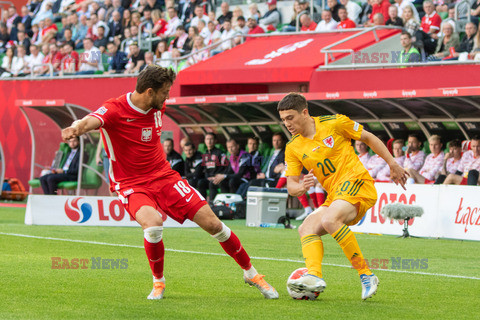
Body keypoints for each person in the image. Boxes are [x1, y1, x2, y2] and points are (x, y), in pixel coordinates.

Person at [61, 65, 278, 300]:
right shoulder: (114, 109)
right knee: (153, 225)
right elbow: (89, 121)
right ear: (150, 92)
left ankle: (251, 273)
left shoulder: (158, 105)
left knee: (214, 224)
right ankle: (158, 282)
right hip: (131, 183)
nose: (168, 96)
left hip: (164, 176)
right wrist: (74, 129)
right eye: (165, 91)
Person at [278, 93, 407, 300]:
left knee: (330, 220)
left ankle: (366, 275)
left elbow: (369, 138)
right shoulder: (293, 147)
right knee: (306, 228)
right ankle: (314, 277)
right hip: (336, 195)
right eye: (283, 119)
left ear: (304, 112)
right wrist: (302, 186)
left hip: (358, 183)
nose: (287, 124)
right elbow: (292, 186)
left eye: (290, 117)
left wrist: (392, 164)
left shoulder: (335, 123)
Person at [197, 132, 227, 199]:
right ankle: (202, 203)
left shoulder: (220, 153)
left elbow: (224, 168)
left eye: (211, 139)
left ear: (215, 141)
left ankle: (211, 204)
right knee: (200, 182)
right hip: (209, 178)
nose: (209, 141)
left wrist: (215, 176)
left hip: (218, 178)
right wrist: (208, 177)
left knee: (212, 183)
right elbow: (205, 169)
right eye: (207, 139)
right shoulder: (205, 154)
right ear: (205, 141)